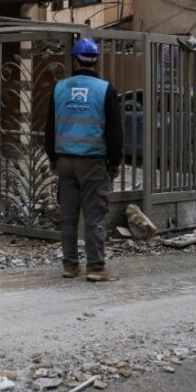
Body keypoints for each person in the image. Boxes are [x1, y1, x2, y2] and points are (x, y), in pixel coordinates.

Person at [45, 38, 123, 283]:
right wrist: (115, 162)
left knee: (68, 216)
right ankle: (96, 267)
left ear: (74, 59)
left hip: (66, 161)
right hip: (93, 162)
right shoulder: (105, 89)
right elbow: (114, 131)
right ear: (95, 59)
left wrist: (52, 158)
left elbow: (50, 127)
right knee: (94, 217)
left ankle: (69, 266)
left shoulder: (59, 88)